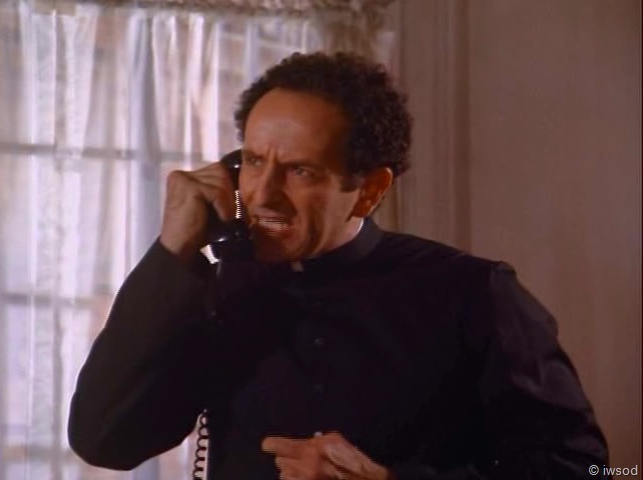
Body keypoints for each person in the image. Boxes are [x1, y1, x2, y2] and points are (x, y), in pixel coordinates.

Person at [68, 52, 609, 479]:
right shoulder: (218, 289)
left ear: (369, 189)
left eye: (299, 171)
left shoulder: (474, 293)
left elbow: (589, 469)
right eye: (253, 161)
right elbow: (105, 441)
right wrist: (173, 251)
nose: (263, 195)